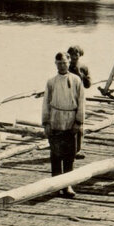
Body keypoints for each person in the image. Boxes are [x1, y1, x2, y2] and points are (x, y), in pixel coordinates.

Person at [42, 51, 84, 197]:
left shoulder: (77, 80)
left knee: (69, 155)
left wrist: (78, 122)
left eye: (64, 63)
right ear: (55, 64)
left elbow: (81, 102)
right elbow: (46, 103)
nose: (62, 66)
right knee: (55, 155)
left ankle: (67, 185)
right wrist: (46, 123)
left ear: (69, 63)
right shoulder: (51, 82)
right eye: (59, 63)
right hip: (55, 120)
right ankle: (55, 186)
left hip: (71, 120)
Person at [67, 46, 92, 159]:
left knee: (80, 125)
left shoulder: (84, 67)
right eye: (71, 55)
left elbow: (88, 84)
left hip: (80, 98)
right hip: (67, 98)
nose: (73, 57)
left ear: (80, 55)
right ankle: (67, 150)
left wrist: (81, 75)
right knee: (67, 125)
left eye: (76, 55)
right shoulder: (65, 67)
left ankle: (77, 150)